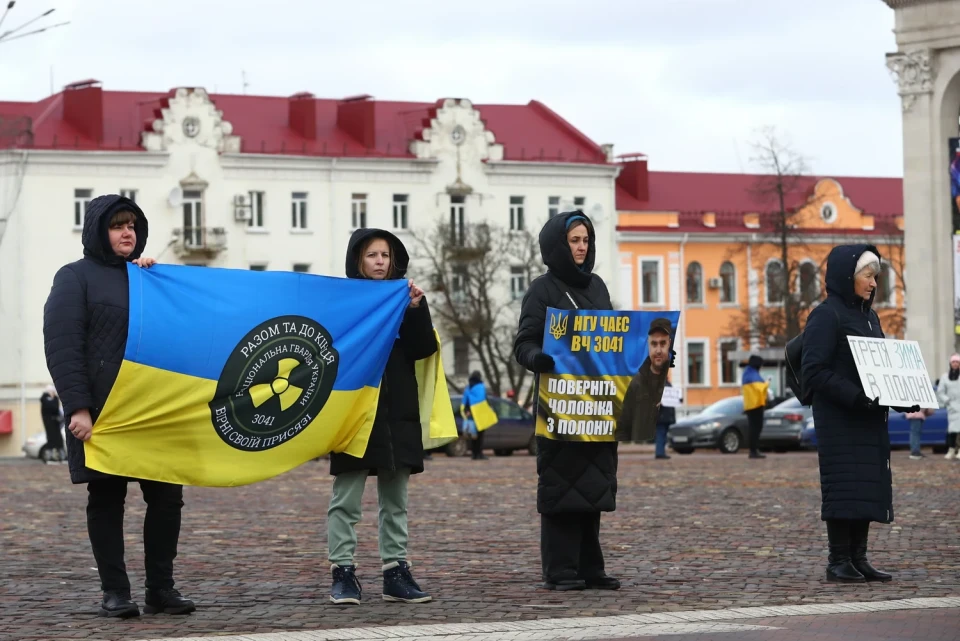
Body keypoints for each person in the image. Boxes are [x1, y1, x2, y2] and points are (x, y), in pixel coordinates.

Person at [43, 194, 195, 618]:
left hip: (153, 412)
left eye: (132, 225)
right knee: (107, 499)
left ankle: (161, 589)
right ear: (97, 230)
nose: (127, 232)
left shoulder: (149, 278)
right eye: (117, 225)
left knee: (167, 498)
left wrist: (155, 281)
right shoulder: (74, 278)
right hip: (104, 414)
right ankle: (115, 592)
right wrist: (78, 407)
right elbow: (63, 346)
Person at [327, 228, 437, 606]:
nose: (379, 262)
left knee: (396, 500)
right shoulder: (343, 302)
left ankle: (396, 571)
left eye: (385, 256)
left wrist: (417, 311)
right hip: (354, 412)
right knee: (347, 499)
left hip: (397, 415)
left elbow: (424, 349)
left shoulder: (404, 300)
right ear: (358, 259)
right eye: (372, 255)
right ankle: (343, 571)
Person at [514, 210, 620, 592]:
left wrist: (651, 358)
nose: (581, 247)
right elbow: (523, 343)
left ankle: (591, 568)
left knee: (593, 486)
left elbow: (614, 340)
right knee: (561, 487)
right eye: (574, 240)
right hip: (559, 406)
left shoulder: (598, 288)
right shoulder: (541, 290)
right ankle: (560, 569)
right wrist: (536, 359)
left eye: (585, 240)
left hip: (596, 405)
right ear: (558, 244)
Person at [801, 244, 917, 584]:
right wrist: (856, 397)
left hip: (868, 417)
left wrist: (901, 398)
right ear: (847, 276)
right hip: (839, 419)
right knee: (843, 486)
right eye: (867, 275)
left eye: (876, 277)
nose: (873, 283)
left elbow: (881, 369)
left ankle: (858, 558)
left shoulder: (870, 317)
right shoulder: (826, 315)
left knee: (866, 485)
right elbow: (814, 371)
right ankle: (838, 561)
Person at [617, 318, 675, 445]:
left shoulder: (668, 382)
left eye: (662, 343)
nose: (658, 350)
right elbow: (623, 426)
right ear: (648, 345)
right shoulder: (636, 382)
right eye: (654, 344)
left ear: (669, 343)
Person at [742, 354, 769, 459]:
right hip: (755, 405)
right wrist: (767, 383)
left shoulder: (748, 373)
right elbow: (760, 388)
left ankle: (754, 450)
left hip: (751, 404)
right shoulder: (752, 374)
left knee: (754, 428)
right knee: (756, 428)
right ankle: (753, 451)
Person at [935, 354, 960, 460]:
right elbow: (940, 391)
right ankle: (951, 449)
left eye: (957, 362)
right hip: (951, 406)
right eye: (953, 362)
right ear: (950, 363)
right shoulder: (945, 377)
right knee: (952, 430)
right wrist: (947, 400)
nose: (955, 364)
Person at [461, 371, 490, 461]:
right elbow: (485, 400)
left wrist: (466, 411)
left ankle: (474, 454)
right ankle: (479, 454)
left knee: (473, 435)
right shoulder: (481, 387)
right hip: (480, 413)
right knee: (480, 435)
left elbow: (465, 400)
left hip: (471, 414)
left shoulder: (468, 387)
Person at [38, 385, 65, 463]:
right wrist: (52, 400)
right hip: (49, 423)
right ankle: (49, 457)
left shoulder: (55, 399)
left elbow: (55, 407)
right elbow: (51, 407)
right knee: (51, 439)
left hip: (56, 423)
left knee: (59, 440)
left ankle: (61, 456)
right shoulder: (44, 399)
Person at [654, 377, 678, 460]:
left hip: (666, 415)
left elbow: (673, 398)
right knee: (661, 434)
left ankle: (661, 452)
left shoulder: (666, 384)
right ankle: (660, 453)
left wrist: (678, 399)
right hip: (661, 416)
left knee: (663, 435)